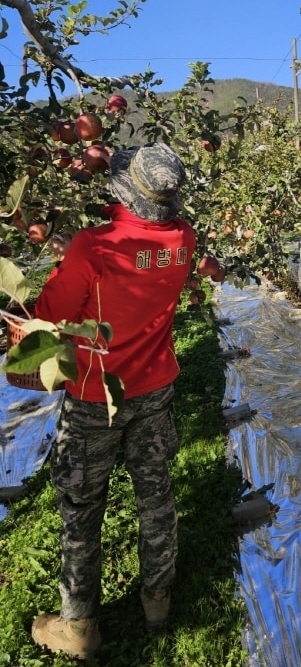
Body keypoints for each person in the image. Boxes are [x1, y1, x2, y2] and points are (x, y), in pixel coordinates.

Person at [30, 142, 205, 659]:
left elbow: (52, 313)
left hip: (92, 396)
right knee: (156, 495)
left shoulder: (94, 246)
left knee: (81, 509)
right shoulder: (183, 238)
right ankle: (158, 598)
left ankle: (79, 625)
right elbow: (140, 260)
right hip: (153, 386)